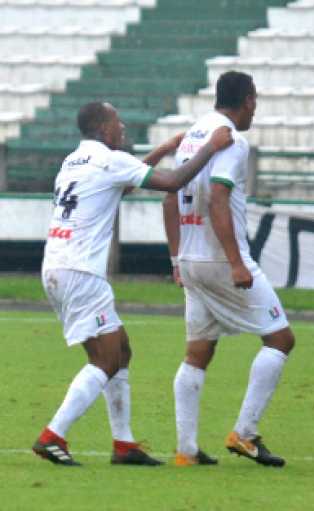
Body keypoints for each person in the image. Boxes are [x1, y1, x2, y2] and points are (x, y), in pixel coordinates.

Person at [33, 101, 233, 466]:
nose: (122, 127)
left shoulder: (73, 161)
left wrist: (162, 150)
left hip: (57, 266)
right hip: (80, 272)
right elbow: (173, 182)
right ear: (104, 129)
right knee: (106, 359)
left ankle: (124, 445)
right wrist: (211, 147)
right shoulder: (111, 160)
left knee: (121, 350)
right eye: (117, 122)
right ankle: (53, 434)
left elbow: (121, 186)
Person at [163, 71, 295, 468]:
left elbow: (170, 196)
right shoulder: (232, 140)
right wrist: (237, 262)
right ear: (249, 100)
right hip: (221, 259)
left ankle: (186, 450)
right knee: (280, 339)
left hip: (190, 259)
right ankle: (245, 433)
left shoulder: (192, 135)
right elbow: (219, 198)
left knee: (198, 351)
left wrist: (175, 258)